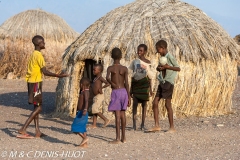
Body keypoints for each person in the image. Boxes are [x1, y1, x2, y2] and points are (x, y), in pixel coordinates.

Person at [17, 35, 68, 139]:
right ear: (38, 44)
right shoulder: (39, 55)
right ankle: (23, 128)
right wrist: (59, 76)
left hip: (31, 82)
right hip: (36, 83)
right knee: (39, 108)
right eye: (43, 42)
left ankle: (37, 131)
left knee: (36, 107)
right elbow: (45, 72)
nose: (44, 44)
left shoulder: (33, 54)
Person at [147, 40, 180, 133]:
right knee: (155, 103)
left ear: (163, 48)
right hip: (162, 81)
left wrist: (168, 67)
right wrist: (159, 68)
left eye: (158, 49)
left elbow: (178, 68)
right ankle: (157, 125)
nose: (157, 51)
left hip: (168, 82)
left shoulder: (170, 57)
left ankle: (172, 127)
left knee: (167, 104)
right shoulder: (162, 57)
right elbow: (160, 68)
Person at [106, 47, 131, 144]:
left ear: (111, 56)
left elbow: (107, 78)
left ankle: (117, 138)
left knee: (117, 115)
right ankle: (124, 137)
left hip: (116, 92)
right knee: (123, 114)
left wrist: (112, 84)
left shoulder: (110, 68)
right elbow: (127, 83)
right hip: (124, 91)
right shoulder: (124, 68)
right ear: (121, 57)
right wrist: (129, 96)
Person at [129, 44, 154, 131]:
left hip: (145, 85)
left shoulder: (148, 62)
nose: (139, 52)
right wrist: (130, 90)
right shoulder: (135, 62)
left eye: (141, 51)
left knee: (144, 105)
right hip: (136, 85)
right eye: (138, 50)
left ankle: (142, 124)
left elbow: (150, 76)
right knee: (135, 105)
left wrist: (151, 89)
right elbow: (133, 75)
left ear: (145, 52)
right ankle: (134, 125)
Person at [88, 64, 111, 129]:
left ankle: (106, 119)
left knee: (94, 109)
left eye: (94, 70)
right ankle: (94, 124)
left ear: (99, 71)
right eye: (93, 69)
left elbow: (108, 83)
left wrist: (102, 88)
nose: (93, 71)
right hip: (95, 96)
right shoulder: (95, 78)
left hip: (99, 95)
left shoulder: (100, 77)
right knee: (94, 110)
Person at [71, 77, 90, 148]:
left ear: (82, 85)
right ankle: (84, 144)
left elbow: (86, 101)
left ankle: (84, 138)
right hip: (81, 112)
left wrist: (85, 109)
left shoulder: (86, 92)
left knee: (74, 127)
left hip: (82, 112)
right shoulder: (84, 91)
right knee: (82, 128)